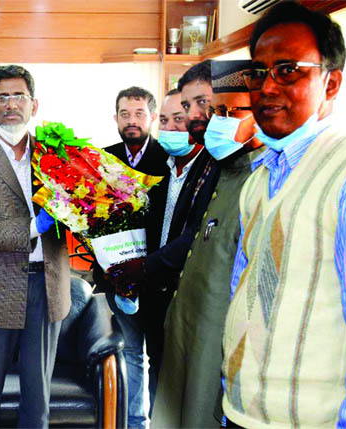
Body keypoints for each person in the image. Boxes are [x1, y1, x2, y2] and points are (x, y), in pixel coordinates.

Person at [222, 3, 346, 427]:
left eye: (288, 70)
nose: (268, 87)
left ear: (331, 83)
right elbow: (243, 292)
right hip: (242, 412)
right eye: (258, 72)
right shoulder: (257, 179)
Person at [0, 65, 70, 428]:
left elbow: (79, 209)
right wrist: (34, 227)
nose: (10, 104)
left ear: (33, 105)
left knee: (37, 399)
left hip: (48, 289)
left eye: (18, 96)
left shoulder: (59, 158)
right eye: (1, 97)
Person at [152, 60, 264, 429]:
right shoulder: (225, 168)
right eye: (214, 110)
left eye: (229, 111)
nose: (210, 120)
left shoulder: (263, 180)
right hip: (187, 338)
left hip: (221, 357)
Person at [106, 63, 219, 419]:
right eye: (167, 121)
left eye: (178, 119)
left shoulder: (208, 166)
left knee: (166, 371)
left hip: (173, 287)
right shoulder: (170, 166)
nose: (172, 127)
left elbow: (193, 236)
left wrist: (141, 268)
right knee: (132, 356)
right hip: (133, 280)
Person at [91, 86, 168, 428]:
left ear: (151, 117)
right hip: (117, 278)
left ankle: (160, 420)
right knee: (131, 353)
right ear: (116, 118)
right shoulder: (100, 160)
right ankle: (134, 422)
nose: (132, 121)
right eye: (125, 114)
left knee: (161, 359)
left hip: (159, 279)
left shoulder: (169, 158)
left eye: (139, 114)